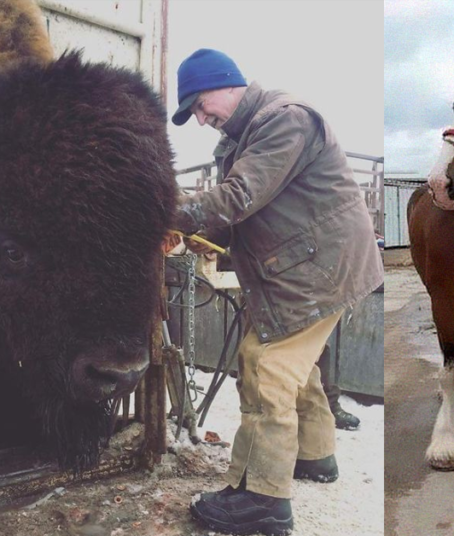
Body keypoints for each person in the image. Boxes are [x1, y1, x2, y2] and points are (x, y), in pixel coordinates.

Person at [170, 48, 383, 535]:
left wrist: (160, 207)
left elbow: (239, 197)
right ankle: (314, 454)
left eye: (201, 107)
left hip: (322, 270)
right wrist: (192, 232)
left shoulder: (284, 121)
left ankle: (263, 499)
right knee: (294, 368)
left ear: (226, 84)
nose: (203, 120)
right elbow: (234, 219)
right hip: (302, 268)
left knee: (265, 366)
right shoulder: (240, 138)